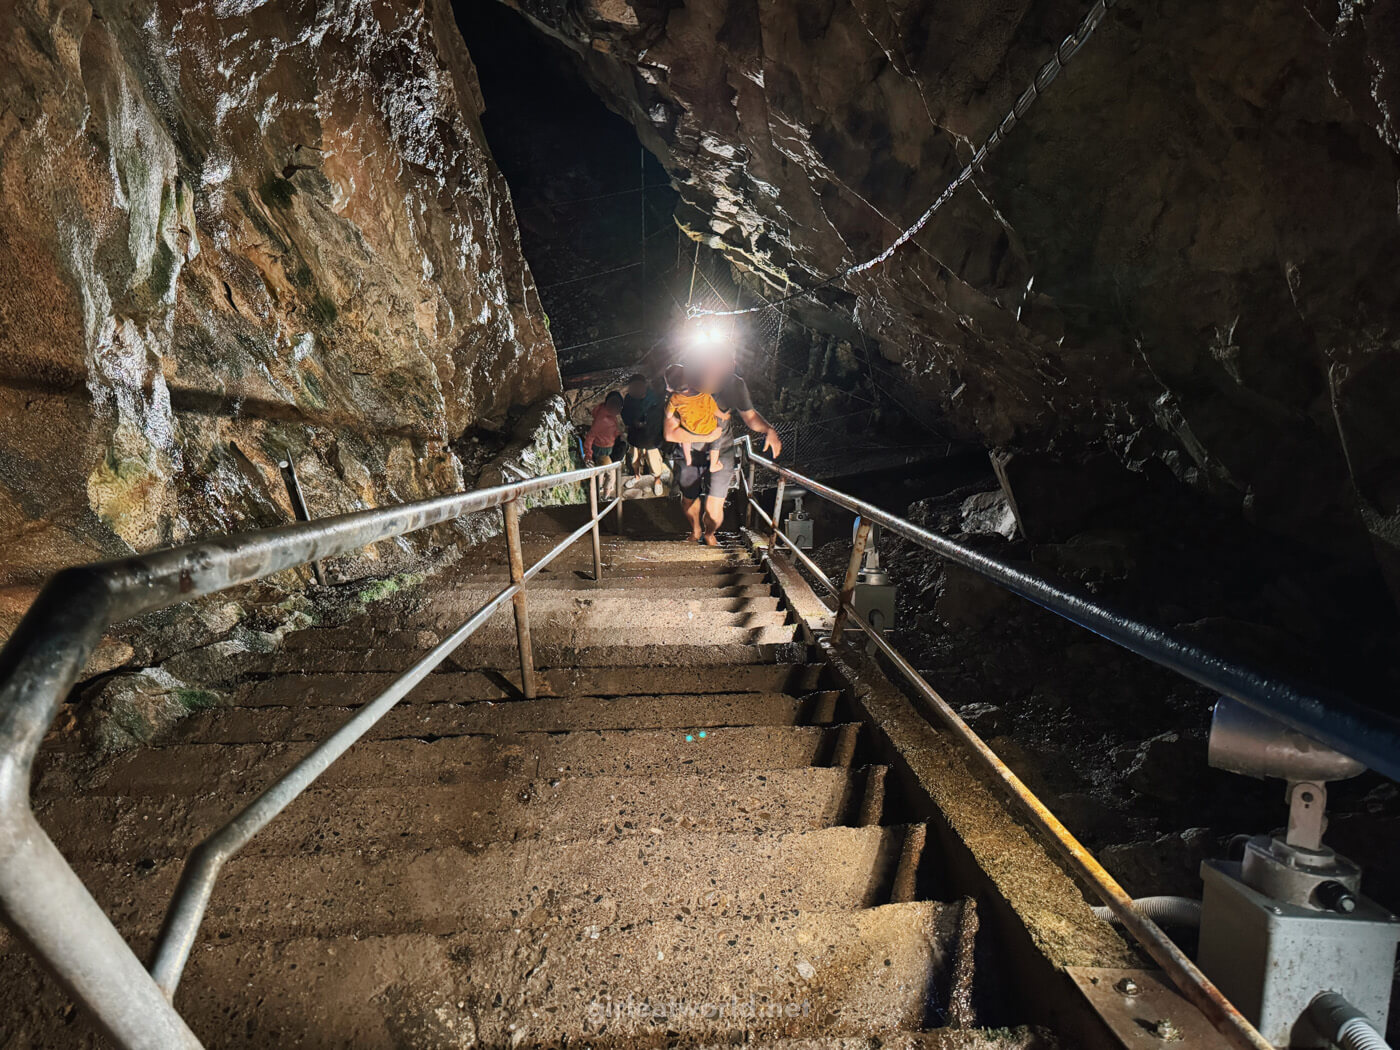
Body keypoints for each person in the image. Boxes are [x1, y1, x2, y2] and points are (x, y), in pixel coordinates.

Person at [671, 345, 783, 546]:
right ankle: (695, 528)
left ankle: (709, 532)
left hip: (722, 450)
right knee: (689, 498)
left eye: (726, 367)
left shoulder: (734, 385)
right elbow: (671, 420)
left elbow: (749, 416)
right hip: (689, 449)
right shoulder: (686, 379)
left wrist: (768, 430)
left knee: (715, 508)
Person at [663, 363, 729, 476]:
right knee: (717, 439)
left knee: (685, 438)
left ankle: (688, 458)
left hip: (690, 430)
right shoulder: (704, 394)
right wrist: (723, 416)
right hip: (709, 428)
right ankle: (713, 464)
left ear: (670, 386)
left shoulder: (674, 399)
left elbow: (668, 415)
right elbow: (714, 410)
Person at [620, 373, 668, 497]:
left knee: (654, 462)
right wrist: (633, 422)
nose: (635, 389)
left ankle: (657, 481)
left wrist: (647, 424)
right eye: (632, 387)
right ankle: (637, 476)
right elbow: (624, 414)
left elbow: (660, 416)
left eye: (638, 386)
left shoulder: (654, 398)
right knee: (634, 459)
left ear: (644, 386)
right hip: (635, 437)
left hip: (651, 438)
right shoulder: (629, 399)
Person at [583, 391, 624, 497]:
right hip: (602, 451)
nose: (619, 410)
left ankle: (598, 488)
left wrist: (618, 433)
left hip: (605, 447)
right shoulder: (603, 420)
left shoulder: (606, 412)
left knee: (600, 470)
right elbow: (590, 436)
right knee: (611, 475)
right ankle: (606, 495)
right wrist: (588, 455)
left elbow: (609, 430)